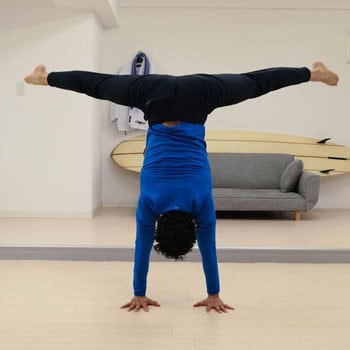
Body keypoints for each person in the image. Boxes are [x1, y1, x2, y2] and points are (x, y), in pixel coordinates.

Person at [25, 62, 339, 313]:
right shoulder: (150, 201)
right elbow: (141, 248)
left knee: (253, 83)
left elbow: (209, 249)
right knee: (100, 86)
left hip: (197, 96)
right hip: (155, 98)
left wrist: (214, 294)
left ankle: (311, 73)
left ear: (191, 225)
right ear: (161, 225)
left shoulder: (200, 204)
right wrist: (139, 293)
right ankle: (46, 77)